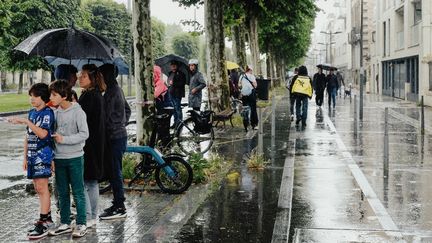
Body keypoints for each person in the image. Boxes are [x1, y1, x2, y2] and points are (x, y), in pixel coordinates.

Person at [8, 83, 55, 240]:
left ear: (43, 97)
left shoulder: (48, 113)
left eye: (35, 96)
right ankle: (45, 218)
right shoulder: (32, 113)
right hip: (32, 155)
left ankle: (44, 221)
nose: (31, 99)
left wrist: (26, 122)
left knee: (42, 187)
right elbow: (28, 136)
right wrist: (25, 157)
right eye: (31, 96)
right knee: (37, 188)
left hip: (43, 154)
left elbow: (43, 134)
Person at [48, 80, 89, 238]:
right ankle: (65, 222)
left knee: (78, 192)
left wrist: (64, 139)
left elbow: (84, 134)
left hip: (75, 157)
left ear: (64, 96)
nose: (51, 97)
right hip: (59, 158)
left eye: (54, 95)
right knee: (63, 192)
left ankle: (81, 223)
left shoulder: (78, 112)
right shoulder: (55, 113)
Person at [98, 64, 131, 220]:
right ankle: (117, 203)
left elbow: (106, 118)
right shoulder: (116, 90)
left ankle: (120, 205)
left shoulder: (111, 93)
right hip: (119, 135)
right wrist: (122, 124)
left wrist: (116, 125)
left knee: (115, 172)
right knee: (113, 171)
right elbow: (127, 110)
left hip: (114, 138)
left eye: (100, 75)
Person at [77, 64, 106, 226]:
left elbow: (82, 121)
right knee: (90, 180)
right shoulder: (93, 94)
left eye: (84, 76)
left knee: (87, 181)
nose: (80, 78)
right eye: (80, 75)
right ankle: (92, 216)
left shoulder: (90, 97)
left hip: (89, 144)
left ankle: (90, 216)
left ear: (92, 79)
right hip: (94, 142)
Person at [168, 61, 187, 127]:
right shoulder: (170, 73)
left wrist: (173, 83)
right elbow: (169, 83)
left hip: (177, 93)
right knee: (173, 109)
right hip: (171, 93)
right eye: (172, 65)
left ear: (177, 66)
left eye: (174, 65)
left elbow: (182, 83)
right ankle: (175, 122)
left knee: (177, 108)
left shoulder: (181, 74)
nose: (173, 66)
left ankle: (179, 123)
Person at [239, 65, 258, 131]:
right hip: (251, 94)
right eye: (251, 70)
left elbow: (239, 85)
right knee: (253, 109)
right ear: (250, 70)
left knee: (245, 109)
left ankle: (246, 125)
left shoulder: (241, 76)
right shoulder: (252, 76)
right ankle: (254, 125)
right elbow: (255, 85)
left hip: (244, 94)